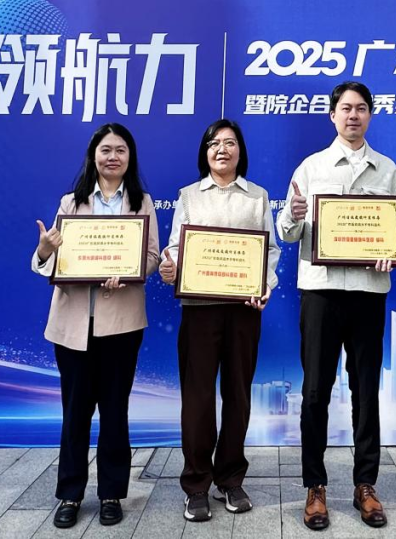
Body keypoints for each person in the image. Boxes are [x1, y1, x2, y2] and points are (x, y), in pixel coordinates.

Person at [276, 81, 396, 531]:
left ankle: (365, 484)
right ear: (333, 115)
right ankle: (315, 486)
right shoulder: (311, 167)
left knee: (366, 390)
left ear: (370, 115)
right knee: (315, 391)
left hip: (369, 291)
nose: (353, 115)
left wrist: (392, 250)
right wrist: (293, 215)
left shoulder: (387, 170)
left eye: (361, 108)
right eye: (346, 108)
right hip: (322, 290)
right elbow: (287, 233)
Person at [31, 123, 160, 529]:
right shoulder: (71, 203)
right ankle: (70, 494)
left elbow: (152, 256)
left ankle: (111, 494)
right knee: (75, 414)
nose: (113, 157)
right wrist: (44, 250)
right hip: (73, 325)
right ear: (93, 156)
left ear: (130, 157)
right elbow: (52, 261)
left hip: (121, 325)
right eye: (106, 150)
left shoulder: (142, 203)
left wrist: (131, 271)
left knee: (115, 412)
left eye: (120, 150)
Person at [158, 119, 280, 522]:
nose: (222, 149)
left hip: (244, 309)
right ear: (205, 152)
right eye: (214, 143)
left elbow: (270, 251)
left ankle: (230, 478)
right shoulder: (189, 196)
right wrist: (171, 266)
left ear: (240, 150)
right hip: (199, 309)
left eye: (229, 142)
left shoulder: (257, 196)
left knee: (238, 395)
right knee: (197, 398)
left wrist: (264, 285)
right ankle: (196, 484)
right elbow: (176, 246)